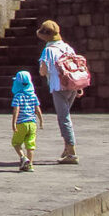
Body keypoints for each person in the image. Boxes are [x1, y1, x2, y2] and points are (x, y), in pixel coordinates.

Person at [37, 20, 80, 164]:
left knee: (64, 118)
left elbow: (43, 71)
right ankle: (67, 148)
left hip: (59, 87)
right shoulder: (67, 47)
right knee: (65, 116)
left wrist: (43, 70)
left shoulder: (48, 50)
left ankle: (71, 151)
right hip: (73, 85)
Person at [10, 70, 43, 172]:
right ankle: (30, 165)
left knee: (16, 143)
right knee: (30, 144)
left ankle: (23, 157)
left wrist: (14, 123)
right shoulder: (33, 96)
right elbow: (37, 109)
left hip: (21, 123)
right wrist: (41, 121)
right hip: (32, 123)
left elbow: (16, 110)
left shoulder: (18, 96)